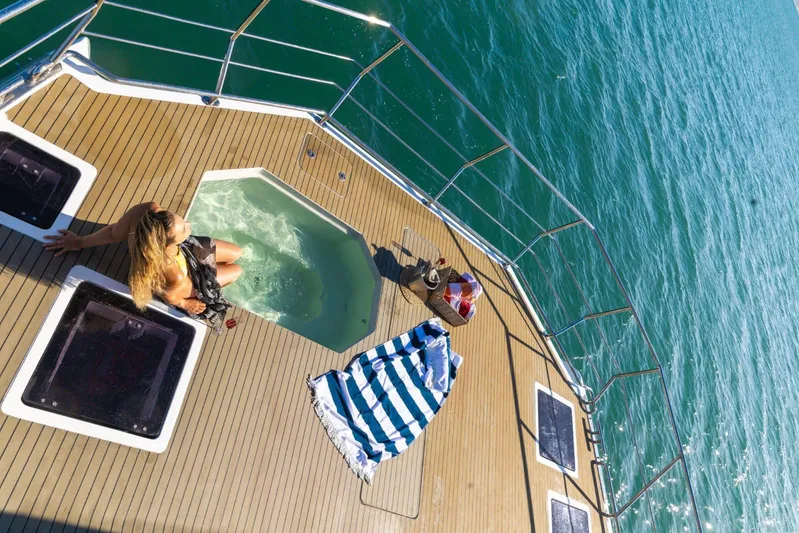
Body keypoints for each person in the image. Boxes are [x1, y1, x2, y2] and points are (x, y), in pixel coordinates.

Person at [43, 202, 242, 316]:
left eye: (182, 221)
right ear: (166, 244)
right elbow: (170, 294)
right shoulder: (169, 268)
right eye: (185, 229)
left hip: (185, 250)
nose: (189, 224)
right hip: (187, 275)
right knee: (236, 271)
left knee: (236, 253)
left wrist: (80, 242)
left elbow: (113, 233)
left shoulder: (146, 212)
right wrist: (184, 303)